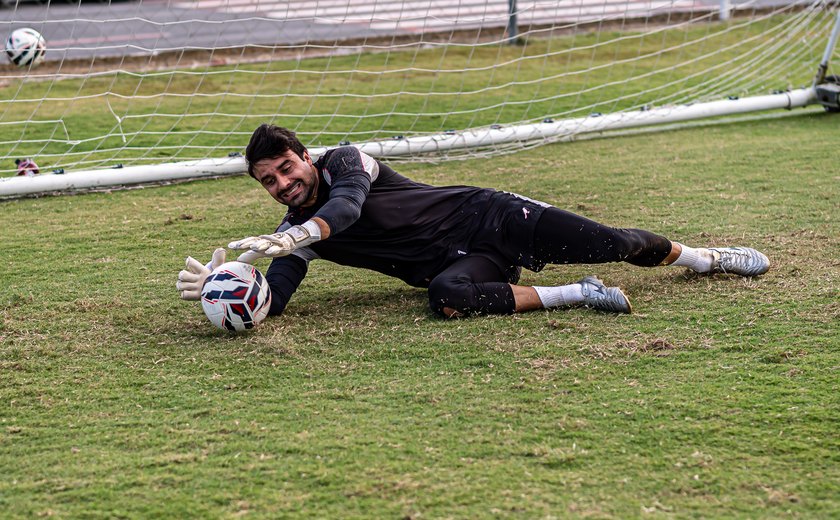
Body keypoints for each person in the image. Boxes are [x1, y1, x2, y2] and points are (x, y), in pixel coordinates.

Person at [176, 124, 770, 318]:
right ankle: (576, 295)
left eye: (287, 167)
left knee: (615, 242)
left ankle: (707, 259)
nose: (284, 183)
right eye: (270, 181)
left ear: (305, 157)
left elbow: (346, 207)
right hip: (461, 264)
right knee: (446, 299)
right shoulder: (288, 234)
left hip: (492, 216)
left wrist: (294, 236)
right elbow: (276, 299)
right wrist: (228, 292)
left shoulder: (347, 163)